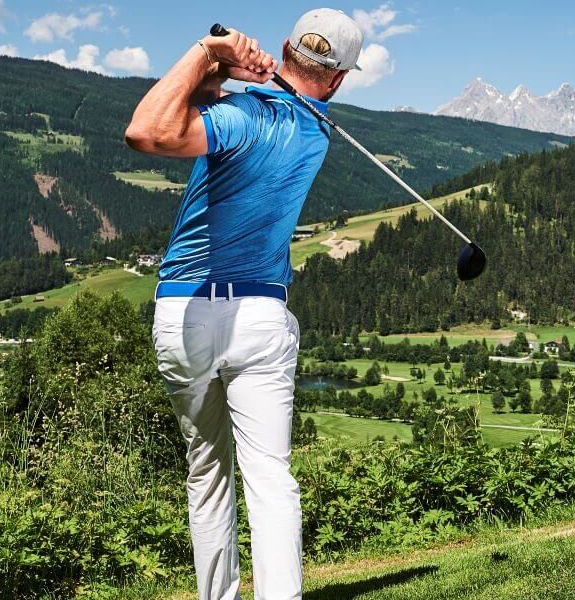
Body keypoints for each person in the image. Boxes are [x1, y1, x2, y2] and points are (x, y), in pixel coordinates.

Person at [123, 9, 364, 600]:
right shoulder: (316, 128)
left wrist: (210, 50)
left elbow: (148, 130)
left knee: (207, 474)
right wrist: (233, 69)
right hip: (260, 317)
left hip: (185, 315)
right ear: (338, 81)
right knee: (270, 480)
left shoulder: (240, 117)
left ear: (284, 48)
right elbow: (250, 99)